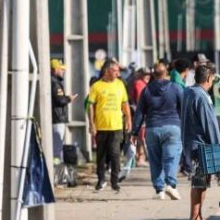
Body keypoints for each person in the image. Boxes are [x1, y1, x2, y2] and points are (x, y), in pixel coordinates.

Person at [133, 61, 184, 200]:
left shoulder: (146, 90)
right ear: (166, 73)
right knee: (171, 157)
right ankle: (171, 185)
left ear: (153, 75)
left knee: (155, 160)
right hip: (173, 127)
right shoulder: (176, 88)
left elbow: (139, 113)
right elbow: (183, 109)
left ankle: (159, 191)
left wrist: (134, 132)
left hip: (152, 128)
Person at [182, 64, 220, 220]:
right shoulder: (202, 96)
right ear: (209, 78)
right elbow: (209, 124)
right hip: (200, 146)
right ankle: (195, 217)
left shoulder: (189, 92)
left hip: (190, 142)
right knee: (200, 184)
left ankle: (197, 215)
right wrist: (217, 146)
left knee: (200, 183)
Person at [88, 60, 132, 191]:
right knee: (101, 155)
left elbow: (125, 103)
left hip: (116, 126)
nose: (118, 74)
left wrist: (129, 119)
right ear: (107, 71)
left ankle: (114, 181)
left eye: (119, 71)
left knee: (115, 154)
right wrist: (92, 124)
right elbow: (91, 106)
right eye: (115, 71)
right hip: (101, 127)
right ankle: (101, 180)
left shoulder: (120, 85)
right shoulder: (96, 86)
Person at [50, 59, 78, 162]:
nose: (63, 71)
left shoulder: (52, 81)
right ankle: (57, 167)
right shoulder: (55, 83)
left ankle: (57, 164)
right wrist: (69, 98)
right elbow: (60, 100)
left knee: (56, 145)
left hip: (55, 118)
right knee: (57, 146)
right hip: (57, 118)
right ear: (55, 69)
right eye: (61, 69)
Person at [129, 67, 152, 167]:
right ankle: (140, 158)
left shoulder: (145, 84)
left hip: (143, 112)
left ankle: (140, 157)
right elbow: (139, 100)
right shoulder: (139, 83)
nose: (147, 76)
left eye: (148, 74)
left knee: (142, 136)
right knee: (141, 137)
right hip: (141, 112)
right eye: (145, 74)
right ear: (141, 74)